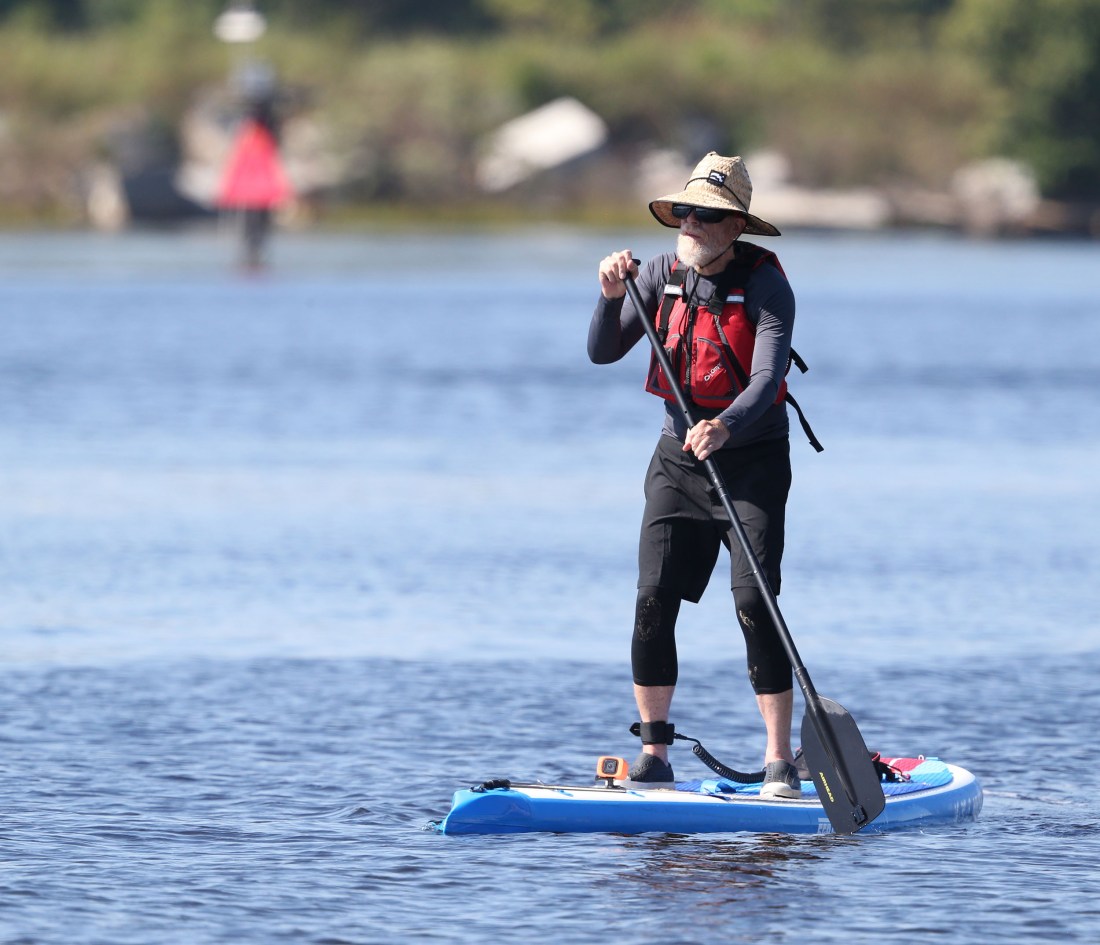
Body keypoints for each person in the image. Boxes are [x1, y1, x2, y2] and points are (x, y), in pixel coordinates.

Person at [588, 152, 814, 799]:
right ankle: (654, 755)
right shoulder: (657, 275)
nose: (690, 222)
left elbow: (769, 378)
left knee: (753, 602)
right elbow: (602, 350)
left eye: (707, 215)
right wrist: (608, 300)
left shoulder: (768, 285)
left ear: (735, 225)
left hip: (752, 463)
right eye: (684, 211)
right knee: (653, 599)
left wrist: (725, 426)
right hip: (676, 461)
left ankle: (778, 761)